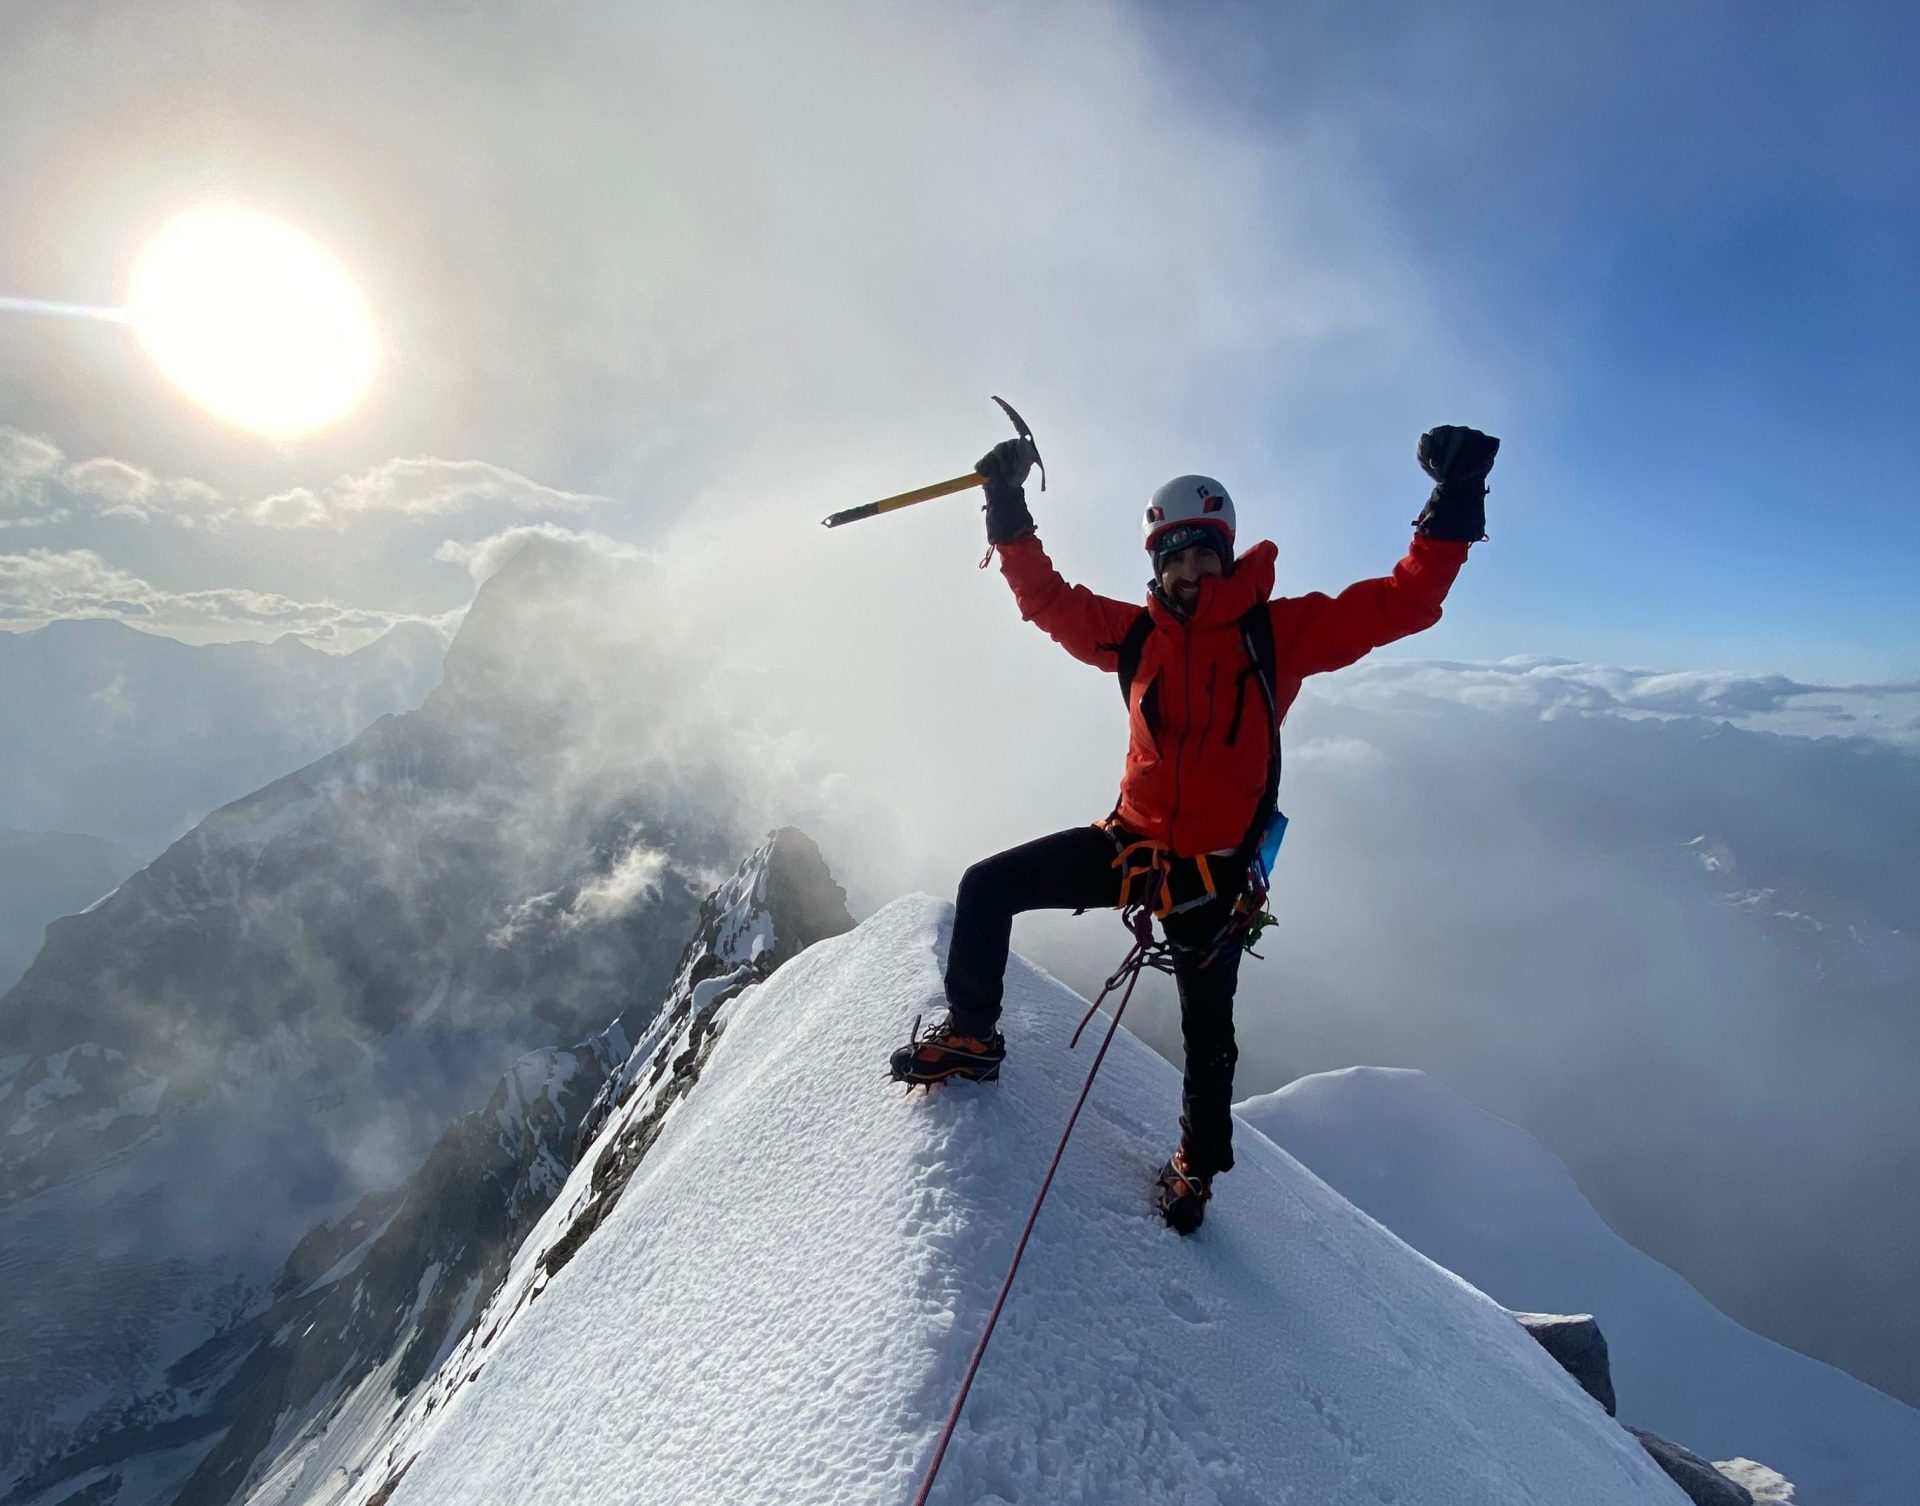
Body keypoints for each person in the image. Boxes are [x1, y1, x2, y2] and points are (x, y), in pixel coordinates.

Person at [889, 426, 1498, 1232]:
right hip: (1131, 847)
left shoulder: (1275, 635)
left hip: (1212, 878)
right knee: (986, 886)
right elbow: (1048, 601)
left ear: (1227, 553)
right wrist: (1005, 504)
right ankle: (973, 1036)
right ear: (1156, 563)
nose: (1187, 568)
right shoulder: (1134, 634)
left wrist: (1453, 499)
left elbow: (1403, 602)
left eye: (1201, 551)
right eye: (1172, 554)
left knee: (1207, 1040)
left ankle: (1196, 1171)